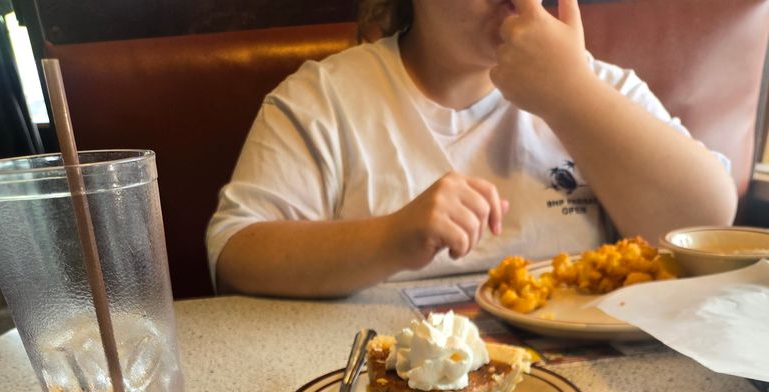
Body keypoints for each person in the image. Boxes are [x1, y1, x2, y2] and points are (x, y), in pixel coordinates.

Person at [207, 0, 737, 298]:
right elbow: (236, 254)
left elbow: (706, 219)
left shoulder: (596, 89)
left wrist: (572, 95)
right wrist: (390, 237)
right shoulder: (325, 100)